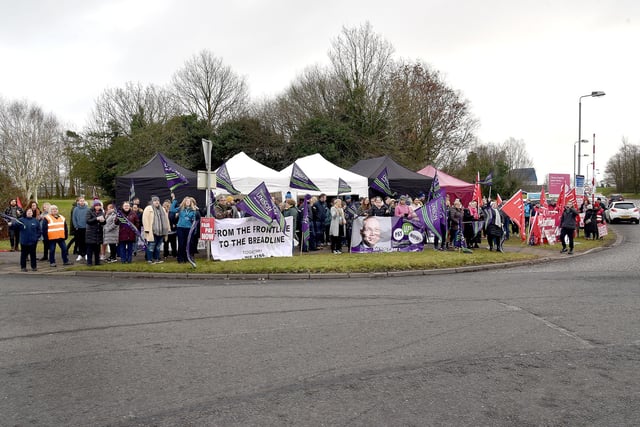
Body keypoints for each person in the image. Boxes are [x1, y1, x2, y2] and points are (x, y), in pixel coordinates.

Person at [170, 196, 200, 264]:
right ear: (184, 202)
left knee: (187, 244)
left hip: (189, 228)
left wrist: (195, 214)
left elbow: (195, 219)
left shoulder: (193, 210)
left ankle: (187, 258)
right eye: (186, 201)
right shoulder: (181, 209)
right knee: (181, 243)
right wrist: (174, 200)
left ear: (190, 203)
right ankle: (180, 258)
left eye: (189, 201)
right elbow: (172, 210)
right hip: (180, 228)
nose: (188, 202)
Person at [142, 195, 170, 264]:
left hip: (161, 231)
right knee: (151, 246)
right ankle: (149, 259)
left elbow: (166, 219)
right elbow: (145, 219)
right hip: (152, 231)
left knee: (158, 246)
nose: (157, 202)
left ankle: (157, 259)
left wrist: (168, 228)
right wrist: (147, 229)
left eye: (158, 200)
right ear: (152, 202)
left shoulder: (162, 209)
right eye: (155, 201)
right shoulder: (148, 208)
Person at [19, 207, 41, 272]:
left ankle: (34, 267)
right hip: (24, 241)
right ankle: (23, 267)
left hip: (33, 241)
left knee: (33, 254)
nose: (29, 212)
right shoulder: (21, 220)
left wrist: (36, 237)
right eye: (28, 211)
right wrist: (11, 225)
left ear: (32, 213)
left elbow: (39, 230)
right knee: (24, 254)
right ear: (25, 213)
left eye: (30, 211)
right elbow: (15, 226)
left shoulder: (35, 220)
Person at [85, 200, 106, 266]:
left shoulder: (101, 212)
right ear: (94, 206)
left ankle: (97, 262)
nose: (98, 207)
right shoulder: (89, 211)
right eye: (96, 205)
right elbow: (88, 221)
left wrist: (103, 221)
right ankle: (89, 262)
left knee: (97, 249)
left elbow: (104, 222)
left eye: (99, 206)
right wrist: (96, 219)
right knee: (90, 249)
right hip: (90, 232)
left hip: (98, 232)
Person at [71, 197, 89, 261]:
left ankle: (86, 254)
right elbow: (74, 218)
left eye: (83, 201)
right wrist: (76, 226)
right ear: (78, 202)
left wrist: (87, 226)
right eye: (80, 201)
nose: (82, 202)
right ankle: (80, 254)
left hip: (86, 228)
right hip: (78, 228)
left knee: (86, 241)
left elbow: (89, 218)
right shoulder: (75, 209)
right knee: (79, 242)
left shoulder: (87, 209)